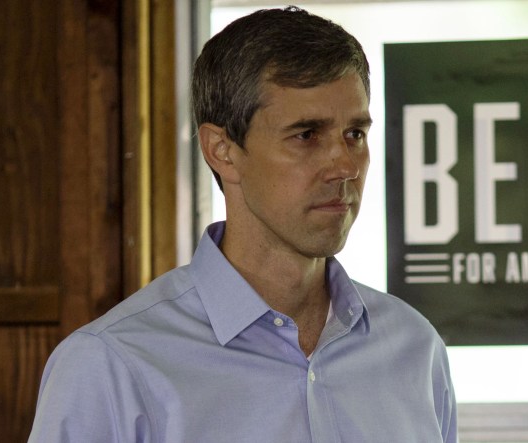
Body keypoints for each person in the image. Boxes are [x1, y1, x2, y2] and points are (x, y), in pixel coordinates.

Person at [28, 6, 457, 442]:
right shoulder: (113, 364)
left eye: (355, 134)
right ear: (222, 149)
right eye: (307, 134)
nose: (345, 166)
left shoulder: (414, 350)